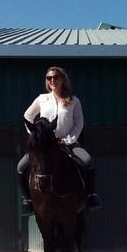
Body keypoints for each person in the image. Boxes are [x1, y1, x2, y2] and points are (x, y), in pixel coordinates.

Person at [17, 67, 101, 213]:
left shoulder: (74, 100)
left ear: (63, 79)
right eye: (49, 78)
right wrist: (36, 136)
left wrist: (69, 140)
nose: (52, 80)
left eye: (55, 77)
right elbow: (27, 116)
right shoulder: (42, 99)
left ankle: (90, 196)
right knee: (21, 167)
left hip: (67, 143)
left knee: (87, 161)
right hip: (45, 145)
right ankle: (28, 200)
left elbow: (79, 123)